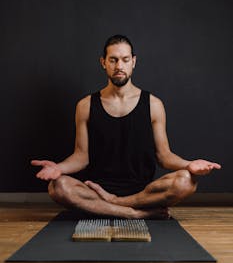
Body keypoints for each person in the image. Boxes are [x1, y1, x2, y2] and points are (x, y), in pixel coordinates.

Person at [31, 34, 221, 219]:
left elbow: (164, 156)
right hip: (96, 190)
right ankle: (131, 213)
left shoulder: (154, 105)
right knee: (57, 186)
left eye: (125, 59)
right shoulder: (85, 106)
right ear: (103, 62)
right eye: (113, 60)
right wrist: (59, 167)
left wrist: (189, 164)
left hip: (143, 192)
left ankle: (115, 204)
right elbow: (81, 157)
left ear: (133, 62)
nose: (119, 66)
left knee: (186, 181)